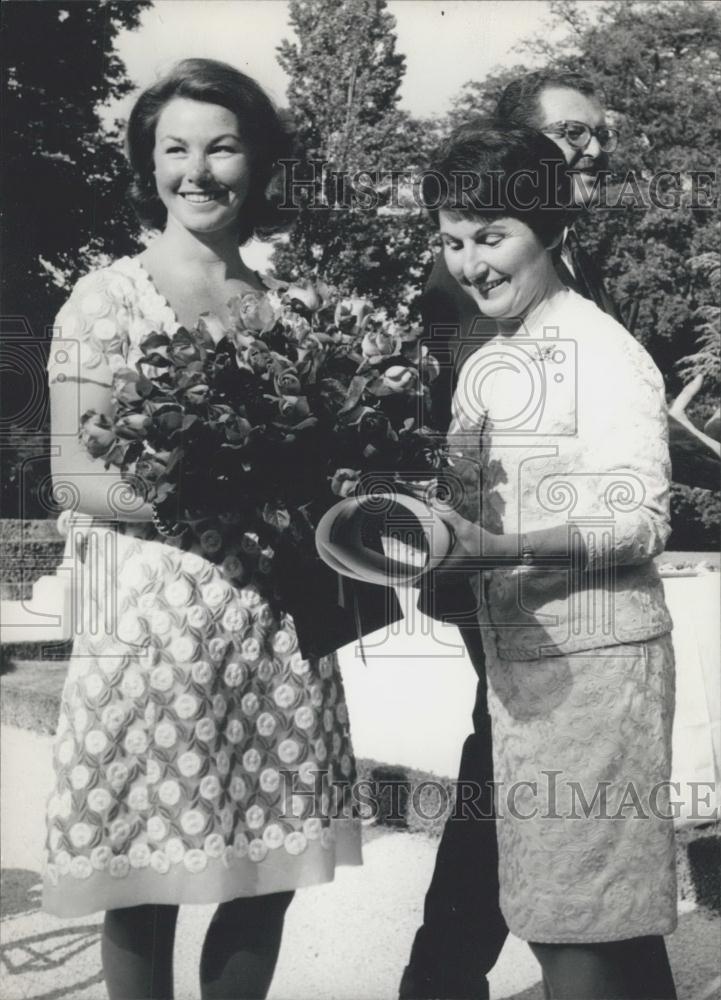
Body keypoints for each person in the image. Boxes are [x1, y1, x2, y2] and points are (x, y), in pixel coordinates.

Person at [43, 58, 362, 1000]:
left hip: (272, 627)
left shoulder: (288, 312)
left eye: (222, 146)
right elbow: (75, 473)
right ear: (147, 166)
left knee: (265, 874)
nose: (198, 170)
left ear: (257, 161)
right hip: (149, 632)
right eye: (174, 147)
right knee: (145, 877)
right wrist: (209, 495)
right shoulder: (107, 297)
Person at [420, 121, 678, 1000]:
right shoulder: (484, 363)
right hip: (521, 677)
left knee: (577, 926)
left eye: (490, 237)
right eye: (452, 241)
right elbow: (464, 514)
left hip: (598, 675)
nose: (469, 263)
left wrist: (502, 545)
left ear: (551, 228)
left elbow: (641, 517)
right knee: (596, 922)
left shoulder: (604, 352)